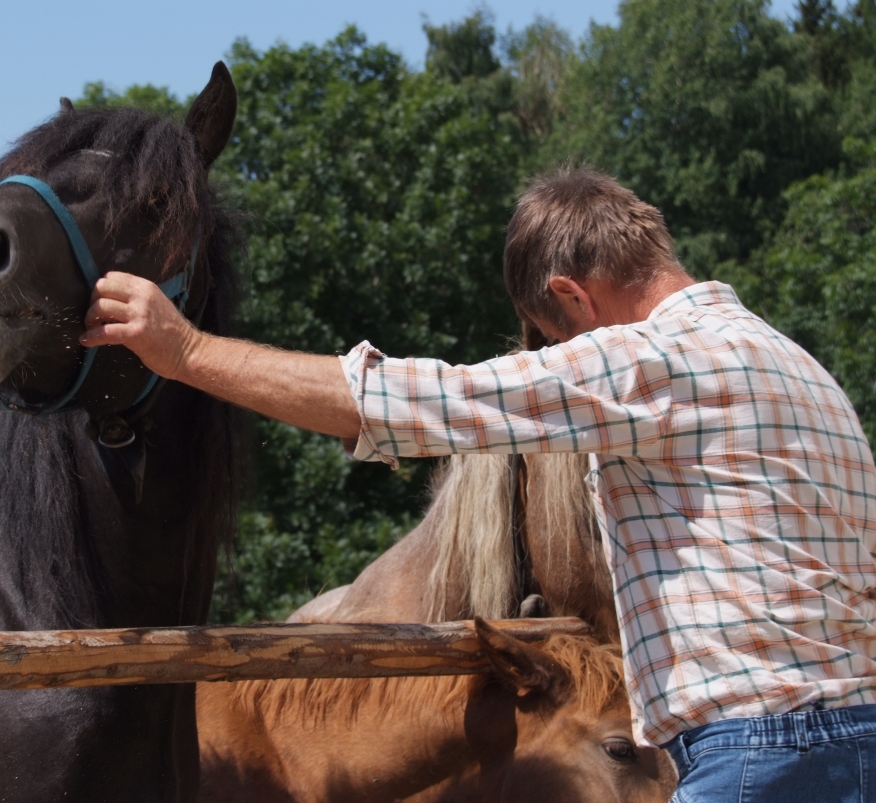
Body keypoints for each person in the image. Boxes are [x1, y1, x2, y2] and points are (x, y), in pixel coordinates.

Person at [81, 166, 876, 801]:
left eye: (557, 341)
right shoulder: (804, 373)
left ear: (570, 296)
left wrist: (184, 351)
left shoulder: (651, 360)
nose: (568, 359)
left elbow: (419, 402)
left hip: (754, 754)